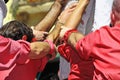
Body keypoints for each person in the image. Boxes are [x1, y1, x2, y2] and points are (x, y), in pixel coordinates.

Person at [58, 0, 120, 79]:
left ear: (112, 16)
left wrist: (62, 27)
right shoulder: (100, 39)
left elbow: (66, 36)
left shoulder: (102, 38)